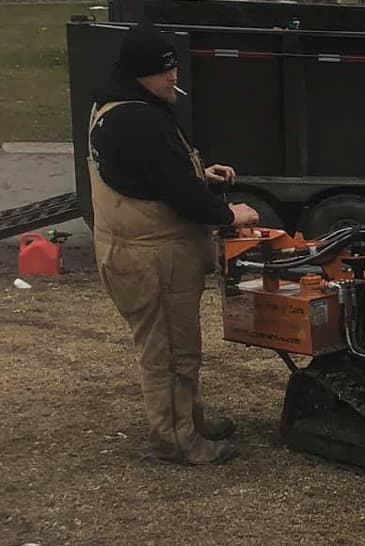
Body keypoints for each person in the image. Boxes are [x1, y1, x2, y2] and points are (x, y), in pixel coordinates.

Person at [89, 25, 260, 465]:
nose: (173, 77)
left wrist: (199, 175)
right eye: (164, 70)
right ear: (140, 73)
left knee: (180, 346)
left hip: (147, 253)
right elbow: (176, 193)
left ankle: (189, 418)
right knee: (167, 352)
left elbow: (147, 174)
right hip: (150, 259)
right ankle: (176, 440)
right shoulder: (136, 118)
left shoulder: (122, 106)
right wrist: (229, 216)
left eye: (173, 66)